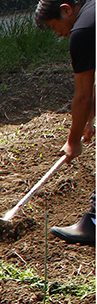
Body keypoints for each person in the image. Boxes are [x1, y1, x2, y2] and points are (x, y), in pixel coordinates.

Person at [36, 0, 95, 245]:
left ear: (66, 9)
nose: (59, 34)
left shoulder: (82, 33)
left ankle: (93, 224)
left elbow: (82, 96)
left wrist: (73, 141)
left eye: (54, 26)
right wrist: (90, 120)